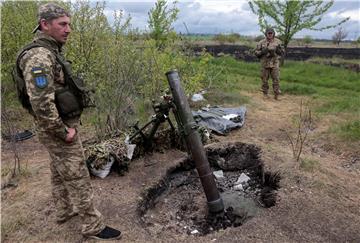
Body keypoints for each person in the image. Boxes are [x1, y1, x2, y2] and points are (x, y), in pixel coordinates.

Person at [13, 3, 121, 240]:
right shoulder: (39, 56)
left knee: (58, 170)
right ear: (45, 24)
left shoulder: (49, 51)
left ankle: (64, 210)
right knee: (78, 175)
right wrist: (63, 132)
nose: (68, 29)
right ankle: (93, 226)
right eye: (62, 24)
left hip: (56, 126)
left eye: (69, 24)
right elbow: (42, 103)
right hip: (57, 128)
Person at [254, 27, 284, 100]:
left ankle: (276, 94)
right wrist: (262, 52)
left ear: (274, 34)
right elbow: (256, 52)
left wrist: (278, 50)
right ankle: (265, 94)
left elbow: (283, 52)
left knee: (276, 78)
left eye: (271, 33)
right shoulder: (261, 42)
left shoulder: (278, 42)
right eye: (268, 33)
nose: (270, 34)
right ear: (266, 34)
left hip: (274, 62)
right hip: (265, 63)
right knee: (264, 79)